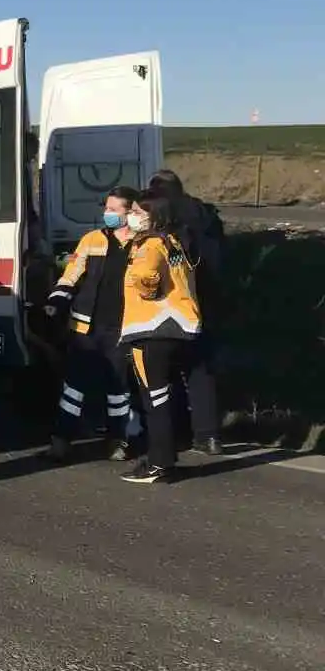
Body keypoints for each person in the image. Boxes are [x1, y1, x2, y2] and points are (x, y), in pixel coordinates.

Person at [44, 185, 140, 462]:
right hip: (85, 328)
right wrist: (58, 299)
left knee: (119, 390)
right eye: (106, 208)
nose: (106, 213)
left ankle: (117, 441)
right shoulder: (91, 240)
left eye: (113, 209)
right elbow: (71, 275)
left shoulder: (142, 244)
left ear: (129, 212)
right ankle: (61, 441)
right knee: (74, 387)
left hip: (122, 328)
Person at [118, 192, 203, 483]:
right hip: (176, 328)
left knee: (154, 400)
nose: (133, 216)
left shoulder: (150, 244)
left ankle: (160, 464)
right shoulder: (173, 241)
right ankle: (161, 458)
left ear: (155, 215)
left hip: (150, 329)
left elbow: (147, 280)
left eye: (139, 212)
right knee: (162, 397)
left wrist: (140, 282)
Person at [146, 168, 225, 455]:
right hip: (209, 301)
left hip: (175, 305)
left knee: (167, 370)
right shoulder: (206, 215)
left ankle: (178, 433)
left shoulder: (169, 220)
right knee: (201, 370)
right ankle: (209, 436)